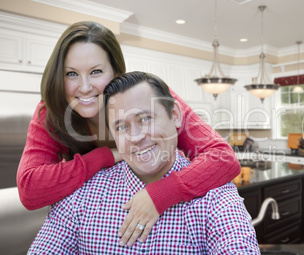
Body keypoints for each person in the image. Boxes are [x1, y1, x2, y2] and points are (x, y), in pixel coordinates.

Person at [17, 21, 240, 246]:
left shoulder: (147, 96)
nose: (84, 87)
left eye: (96, 72)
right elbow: (29, 189)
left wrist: (161, 194)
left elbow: (223, 157)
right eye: (71, 74)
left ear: (116, 72)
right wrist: (108, 155)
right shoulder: (52, 112)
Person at [27, 71, 259, 254]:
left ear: (175, 115)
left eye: (146, 118)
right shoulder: (82, 194)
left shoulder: (216, 197)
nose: (136, 136)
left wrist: (163, 193)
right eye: (122, 126)